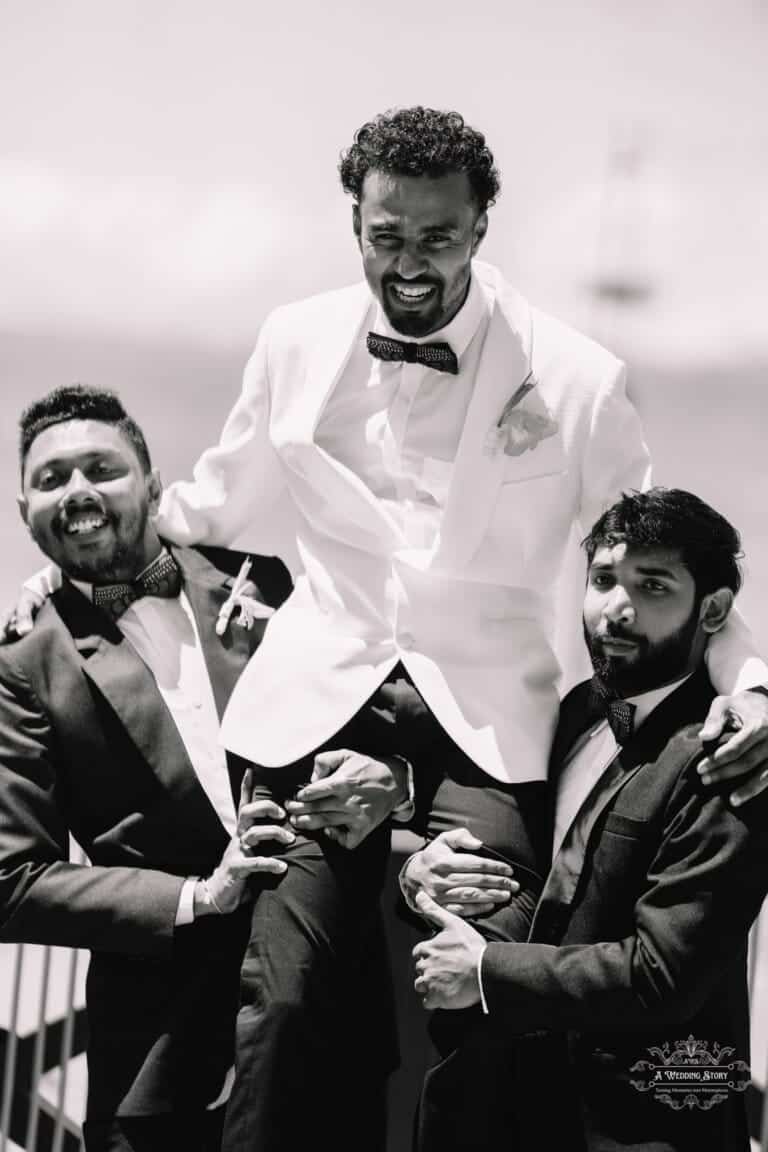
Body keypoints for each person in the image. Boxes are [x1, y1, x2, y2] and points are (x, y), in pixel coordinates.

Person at [5, 109, 768, 1150]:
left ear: (482, 225)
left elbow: (654, 557)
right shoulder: (293, 340)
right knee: (278, 998)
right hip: (310, 726)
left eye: (437, 238)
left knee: (477, 980)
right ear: (354, 222)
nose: (409, 264)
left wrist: (754, 684)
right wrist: (60, 572)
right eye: (385, 235)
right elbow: (210, 505)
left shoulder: (581, 379)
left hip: (484, 738)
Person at [409, 488, 768, 1152]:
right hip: (512, 1107)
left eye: (652, 585)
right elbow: (528, 864)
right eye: (603, 579)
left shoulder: (733, 753)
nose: (617, 608)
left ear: (712, 609)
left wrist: (489, 970)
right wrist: (418, 865)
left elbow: (663, 975)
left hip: (640, 1126)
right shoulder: (573, 709)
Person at [0, 385, 296, 1152]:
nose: (79, 490)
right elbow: (12, 881)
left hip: (322, 1018)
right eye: (52, 478)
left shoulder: (269, 587)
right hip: (157, 1052)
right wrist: (200, 897)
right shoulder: (23, 663)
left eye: (102, 467)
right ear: (22, 508)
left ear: (155, 484)